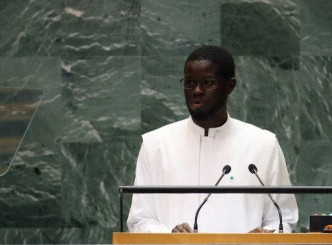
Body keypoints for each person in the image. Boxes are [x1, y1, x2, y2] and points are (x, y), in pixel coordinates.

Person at [127, 45, 298, 233]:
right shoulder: (155, 144)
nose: (197, 90)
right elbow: (140, 219)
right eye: (190, 82)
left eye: (208, 83)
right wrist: (170, 237)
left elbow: (283, 218)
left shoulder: (263, 144)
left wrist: (262, 238)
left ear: (230, 86)